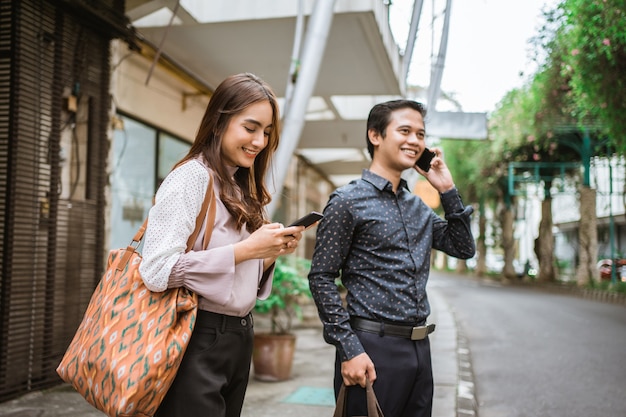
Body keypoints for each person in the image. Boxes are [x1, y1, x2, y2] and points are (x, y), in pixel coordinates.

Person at [138, 73, 305, 417]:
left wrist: (269, 253)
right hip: (195, 334)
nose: (260, 141)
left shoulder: (238, 184)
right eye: (251, 127)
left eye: (268, 132)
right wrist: (248, 250)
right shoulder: (192, 177)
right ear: (218, 122)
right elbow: (155, 270)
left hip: (239, 337)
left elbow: (236, 273)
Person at [308, 99, 476, 417]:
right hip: (371, 348)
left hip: (419, 350)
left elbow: (463, 247)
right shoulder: (346, 201)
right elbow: (321, 277)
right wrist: (349, 348)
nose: (415, 140)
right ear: (375, 135)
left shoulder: (418, 208)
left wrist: (447, 189)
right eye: (405, 130)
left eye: (421, 134)